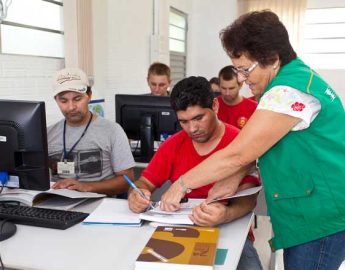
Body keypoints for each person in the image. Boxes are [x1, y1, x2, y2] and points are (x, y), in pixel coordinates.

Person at [159, 10, 345, 270]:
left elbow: (238, 153)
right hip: (314, 209)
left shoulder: (288, 92)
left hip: (320, 215)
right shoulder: (296, 80)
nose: (243, 81)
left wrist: (181, 184)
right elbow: (267, 147)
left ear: (273, 60)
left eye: (245, 70)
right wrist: (236, 175)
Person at [128, 76, 263, 270]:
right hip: (177, 233)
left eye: (199, 118)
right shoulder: (173, 144)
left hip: (229, 229)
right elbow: (145, 183)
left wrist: (226, 214)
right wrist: (137, 194)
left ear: (215, 106)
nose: (192, 128)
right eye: (183, 121)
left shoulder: (239, 143)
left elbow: (249, 198)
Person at [48, 67, 135, 196]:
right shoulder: (48, 134)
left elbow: (127, 181)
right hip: (58, 205)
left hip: (100, 207)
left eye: (77, 99)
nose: (71, 107)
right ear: (56, 100)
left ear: (89, 96)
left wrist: (87, 187)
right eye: (64, 100)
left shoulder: (112, 131)